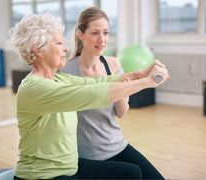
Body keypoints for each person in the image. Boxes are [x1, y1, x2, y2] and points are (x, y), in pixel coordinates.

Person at [9, 12, 169, 180]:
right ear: (38, 49)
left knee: (132, 173)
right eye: (58, 43)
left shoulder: (59, 78)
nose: (65, 48)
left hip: (70, 167)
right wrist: (147, 83)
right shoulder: (35, 88)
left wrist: (141, 74)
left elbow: (98, 82)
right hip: (43, 174)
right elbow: (93, 94)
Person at [60, 7, 165, 179]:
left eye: (106, 33)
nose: (102, 40)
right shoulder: (66, 70)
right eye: (94, 33)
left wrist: (124, 84)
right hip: (86, 156)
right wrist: (144, 82)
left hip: (117, 145)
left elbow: (122, 112)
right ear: (80, 34)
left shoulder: (113, 65)